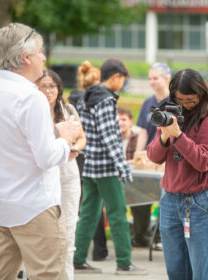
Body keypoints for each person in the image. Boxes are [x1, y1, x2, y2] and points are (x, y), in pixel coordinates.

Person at [0, 23, 81, 279]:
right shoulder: (31, 97)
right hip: (35, 207)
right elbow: (47, 157)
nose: (44, 57)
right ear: (25, 57)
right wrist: (65, 137)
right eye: (40, 52)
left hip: (0, 206)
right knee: (48, 275)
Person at [147, 68, 208, 279]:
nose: (184, 105)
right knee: (176, 271)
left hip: (199, 201)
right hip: (170, 199)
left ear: (200, 93)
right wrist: (164, 136)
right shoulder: (170, 111)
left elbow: (204, 161)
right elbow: (154, 156)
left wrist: (178, 136)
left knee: (203, 272)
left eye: (190, 100)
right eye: (179, 99)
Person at [73, 58, 147, 275]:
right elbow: (110, 138)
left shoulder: (87, 96)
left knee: (88, 213)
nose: (122, 84)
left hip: (89, 166)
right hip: (106, 168)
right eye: (123, 80)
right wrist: (122, 167)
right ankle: (124, 263)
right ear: (115, 77)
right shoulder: (105, 100)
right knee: (117, 214)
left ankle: (78, 259)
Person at [36, 69, 86, 280]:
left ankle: (67, 276)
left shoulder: (67, 109)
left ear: (59, 89)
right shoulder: (33, 111)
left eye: (52, 86)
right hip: (44, 174)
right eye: (44, 86)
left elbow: (82, 138)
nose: (48, 91)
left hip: (68, 173)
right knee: (42, 231)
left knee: (68, 229)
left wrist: (74, 149)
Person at [73, 60, 110, 262]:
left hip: (76, 156)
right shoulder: (98, 101)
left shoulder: (73, 101)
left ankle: (79, 253)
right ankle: (99, 250)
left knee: (84, 207)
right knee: (94, 206)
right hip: (91, 158)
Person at [132, 63, 171, 248]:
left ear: (166, 79)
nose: (152, 82)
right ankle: (141, 235)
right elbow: (143, 132)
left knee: (167, 198)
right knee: (140, 196)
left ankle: (163, 237)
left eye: (155, 78)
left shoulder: (175, 102)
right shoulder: (148, 103)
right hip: (149, 161)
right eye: (149, 78)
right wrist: (138, 155)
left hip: (168, 160)